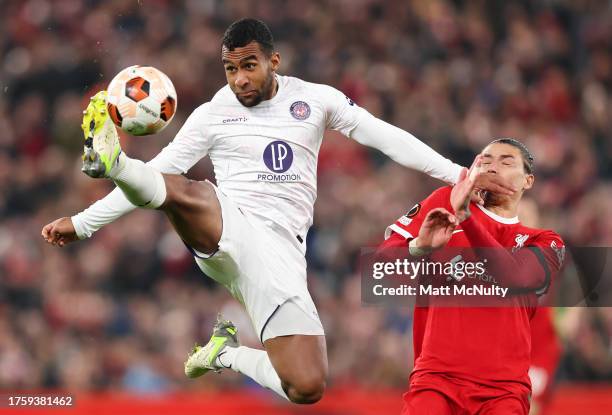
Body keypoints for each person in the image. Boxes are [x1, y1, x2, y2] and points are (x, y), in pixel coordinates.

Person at [41, 18, 510, 404]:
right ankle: (114, 159)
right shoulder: (211, 115)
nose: (240, 78)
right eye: (229, 69)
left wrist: (457, 175)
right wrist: (83, 224)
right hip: (229, 223)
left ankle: (224, 354)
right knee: (185, 192)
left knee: (307, 386)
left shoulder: (315, 100)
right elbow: (160, 177)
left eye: (249, 66)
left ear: (273, 61)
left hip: (282, 256)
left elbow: (382, 135)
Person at [379, 138, 565, 414]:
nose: (492, 167)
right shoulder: (444, 203)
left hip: (503, 391)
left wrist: (467, 218)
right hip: (436, 380)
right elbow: (381, 266)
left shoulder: (546, 242)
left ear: (528, 181)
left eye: (506, 161)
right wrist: (420, 248)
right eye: (485, 160)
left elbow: (513, 277)